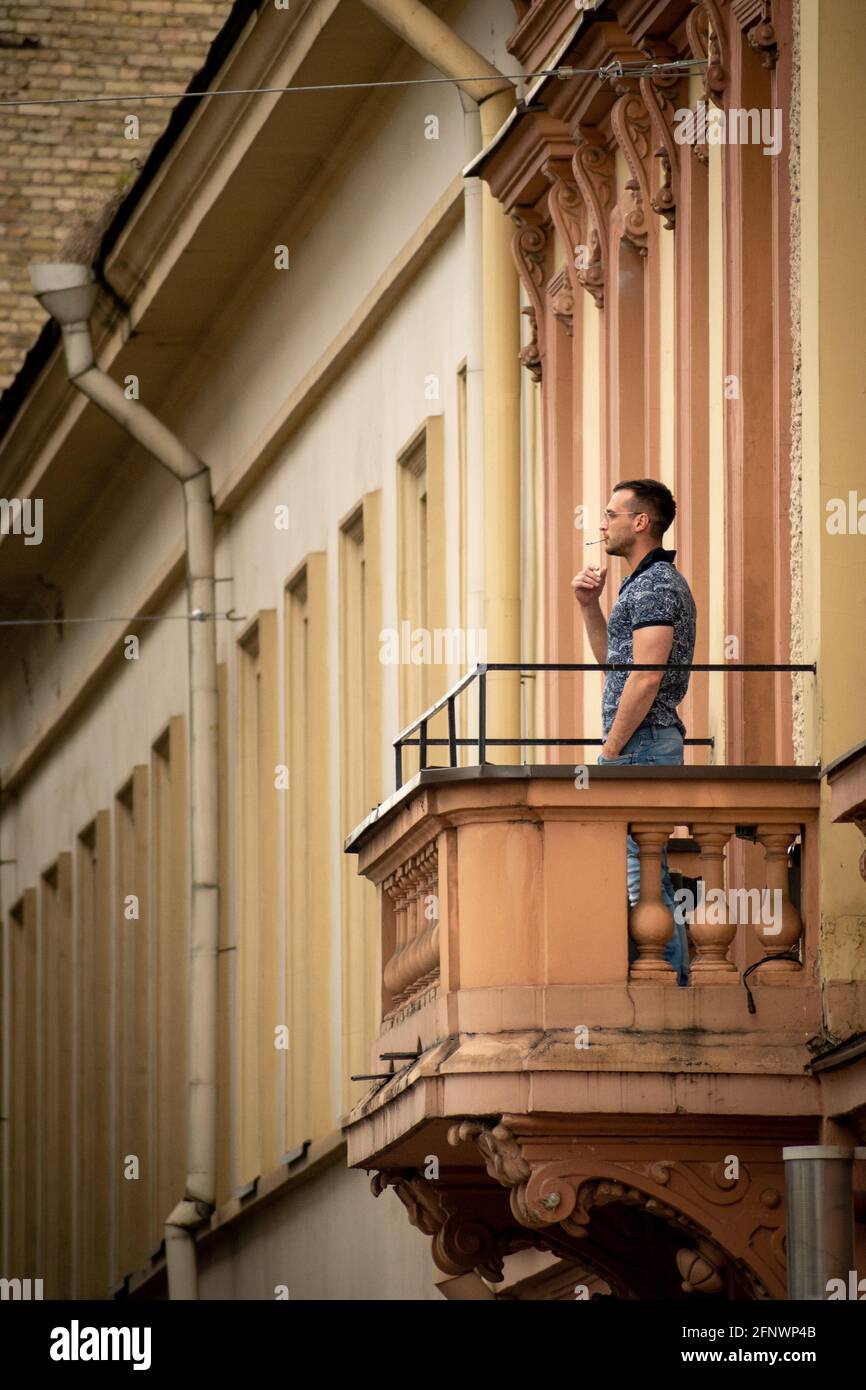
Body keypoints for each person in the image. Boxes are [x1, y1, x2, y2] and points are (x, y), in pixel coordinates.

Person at [571, 479, 696, 986]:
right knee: (644, 875)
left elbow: (646, 676)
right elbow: (616, 665)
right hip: (641, 741)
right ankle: (673, 982)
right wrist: (588, 605)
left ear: (640, 522)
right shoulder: (639, 585)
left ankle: (673, 986)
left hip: (642, 742)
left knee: (642, 880)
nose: (602, 524)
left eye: (610, 514)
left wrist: (611, 748)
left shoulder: (656, 585)